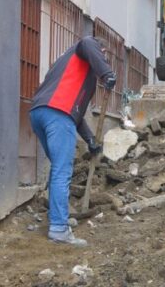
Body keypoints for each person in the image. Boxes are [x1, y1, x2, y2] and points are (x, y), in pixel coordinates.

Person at [30, 36, 116, 246]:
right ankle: (59, 228)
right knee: (62, 171)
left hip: (40, 113)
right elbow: (87, 42)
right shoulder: (87, 45)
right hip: (57, 115)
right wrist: (107, 74)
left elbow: (75, 114)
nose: (102, 58)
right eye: (103, 56)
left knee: (57, 169)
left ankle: (57, 218)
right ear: (101, 50)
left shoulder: (68, 65)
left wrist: (90, 140)